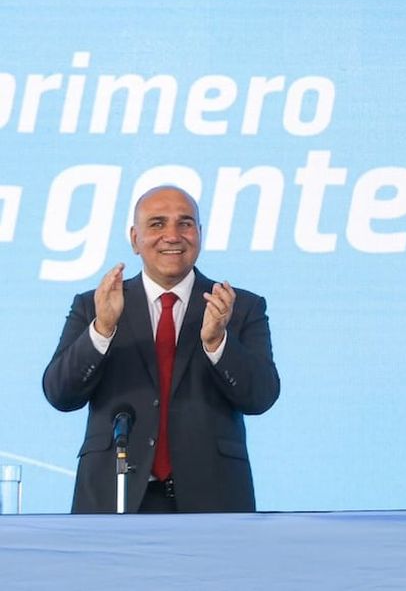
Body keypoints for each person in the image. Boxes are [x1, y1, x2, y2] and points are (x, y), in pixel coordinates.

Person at [42, 186, 280, 513]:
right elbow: (60, 394)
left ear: (200, 233)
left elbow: (261, 396)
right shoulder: (95, 305)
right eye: (156, 224)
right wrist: (102, 330)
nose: (172, 235)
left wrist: (217, 344)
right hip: (114, 497)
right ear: (134, 237)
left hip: (214, 501)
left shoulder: (238, 307)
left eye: (185, 223)